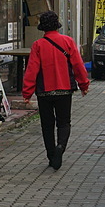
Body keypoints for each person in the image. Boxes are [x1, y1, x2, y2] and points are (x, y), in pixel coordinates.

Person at [22, 11, 89, 170]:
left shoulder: (38, 45)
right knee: (64, 122)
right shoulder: (68, 41)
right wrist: (83, 85)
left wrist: (27, 93)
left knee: (47, 124)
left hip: (44, 91)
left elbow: (31, 70)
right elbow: (78, 66)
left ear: (42, 27)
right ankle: (61, 147)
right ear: (57, 24)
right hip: (64, 90)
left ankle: (51, 155)